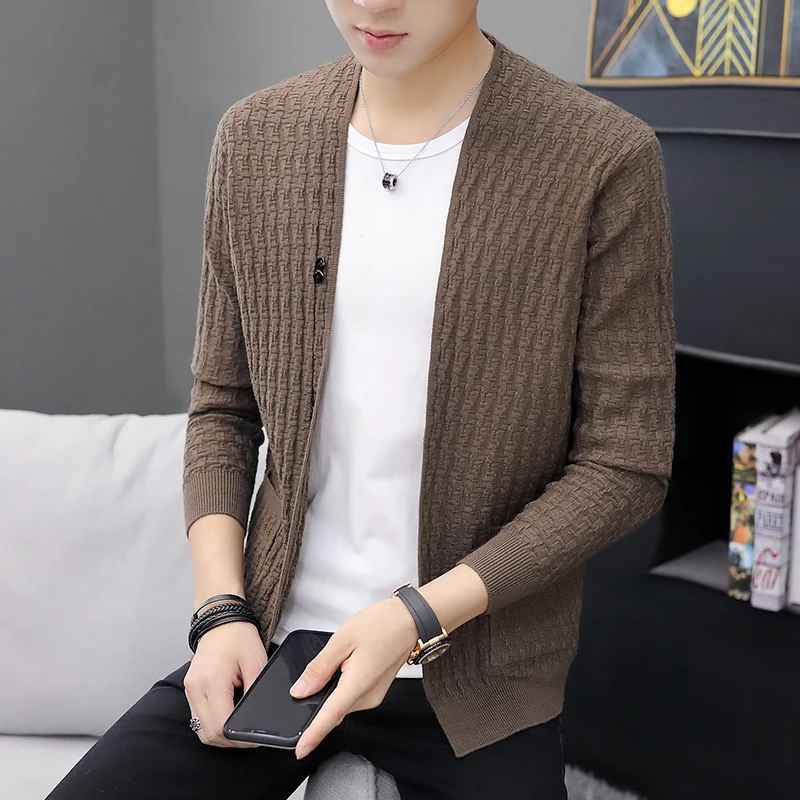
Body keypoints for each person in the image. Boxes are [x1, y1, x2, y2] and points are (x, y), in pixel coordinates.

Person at [48, 1, 675, 798]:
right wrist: (220, 614)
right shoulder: (256, 138)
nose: (373, 5)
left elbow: (626, 461)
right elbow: (223, 411)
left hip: (473, 674)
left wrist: (414, 617)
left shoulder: (601, 156)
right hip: (275, 649)